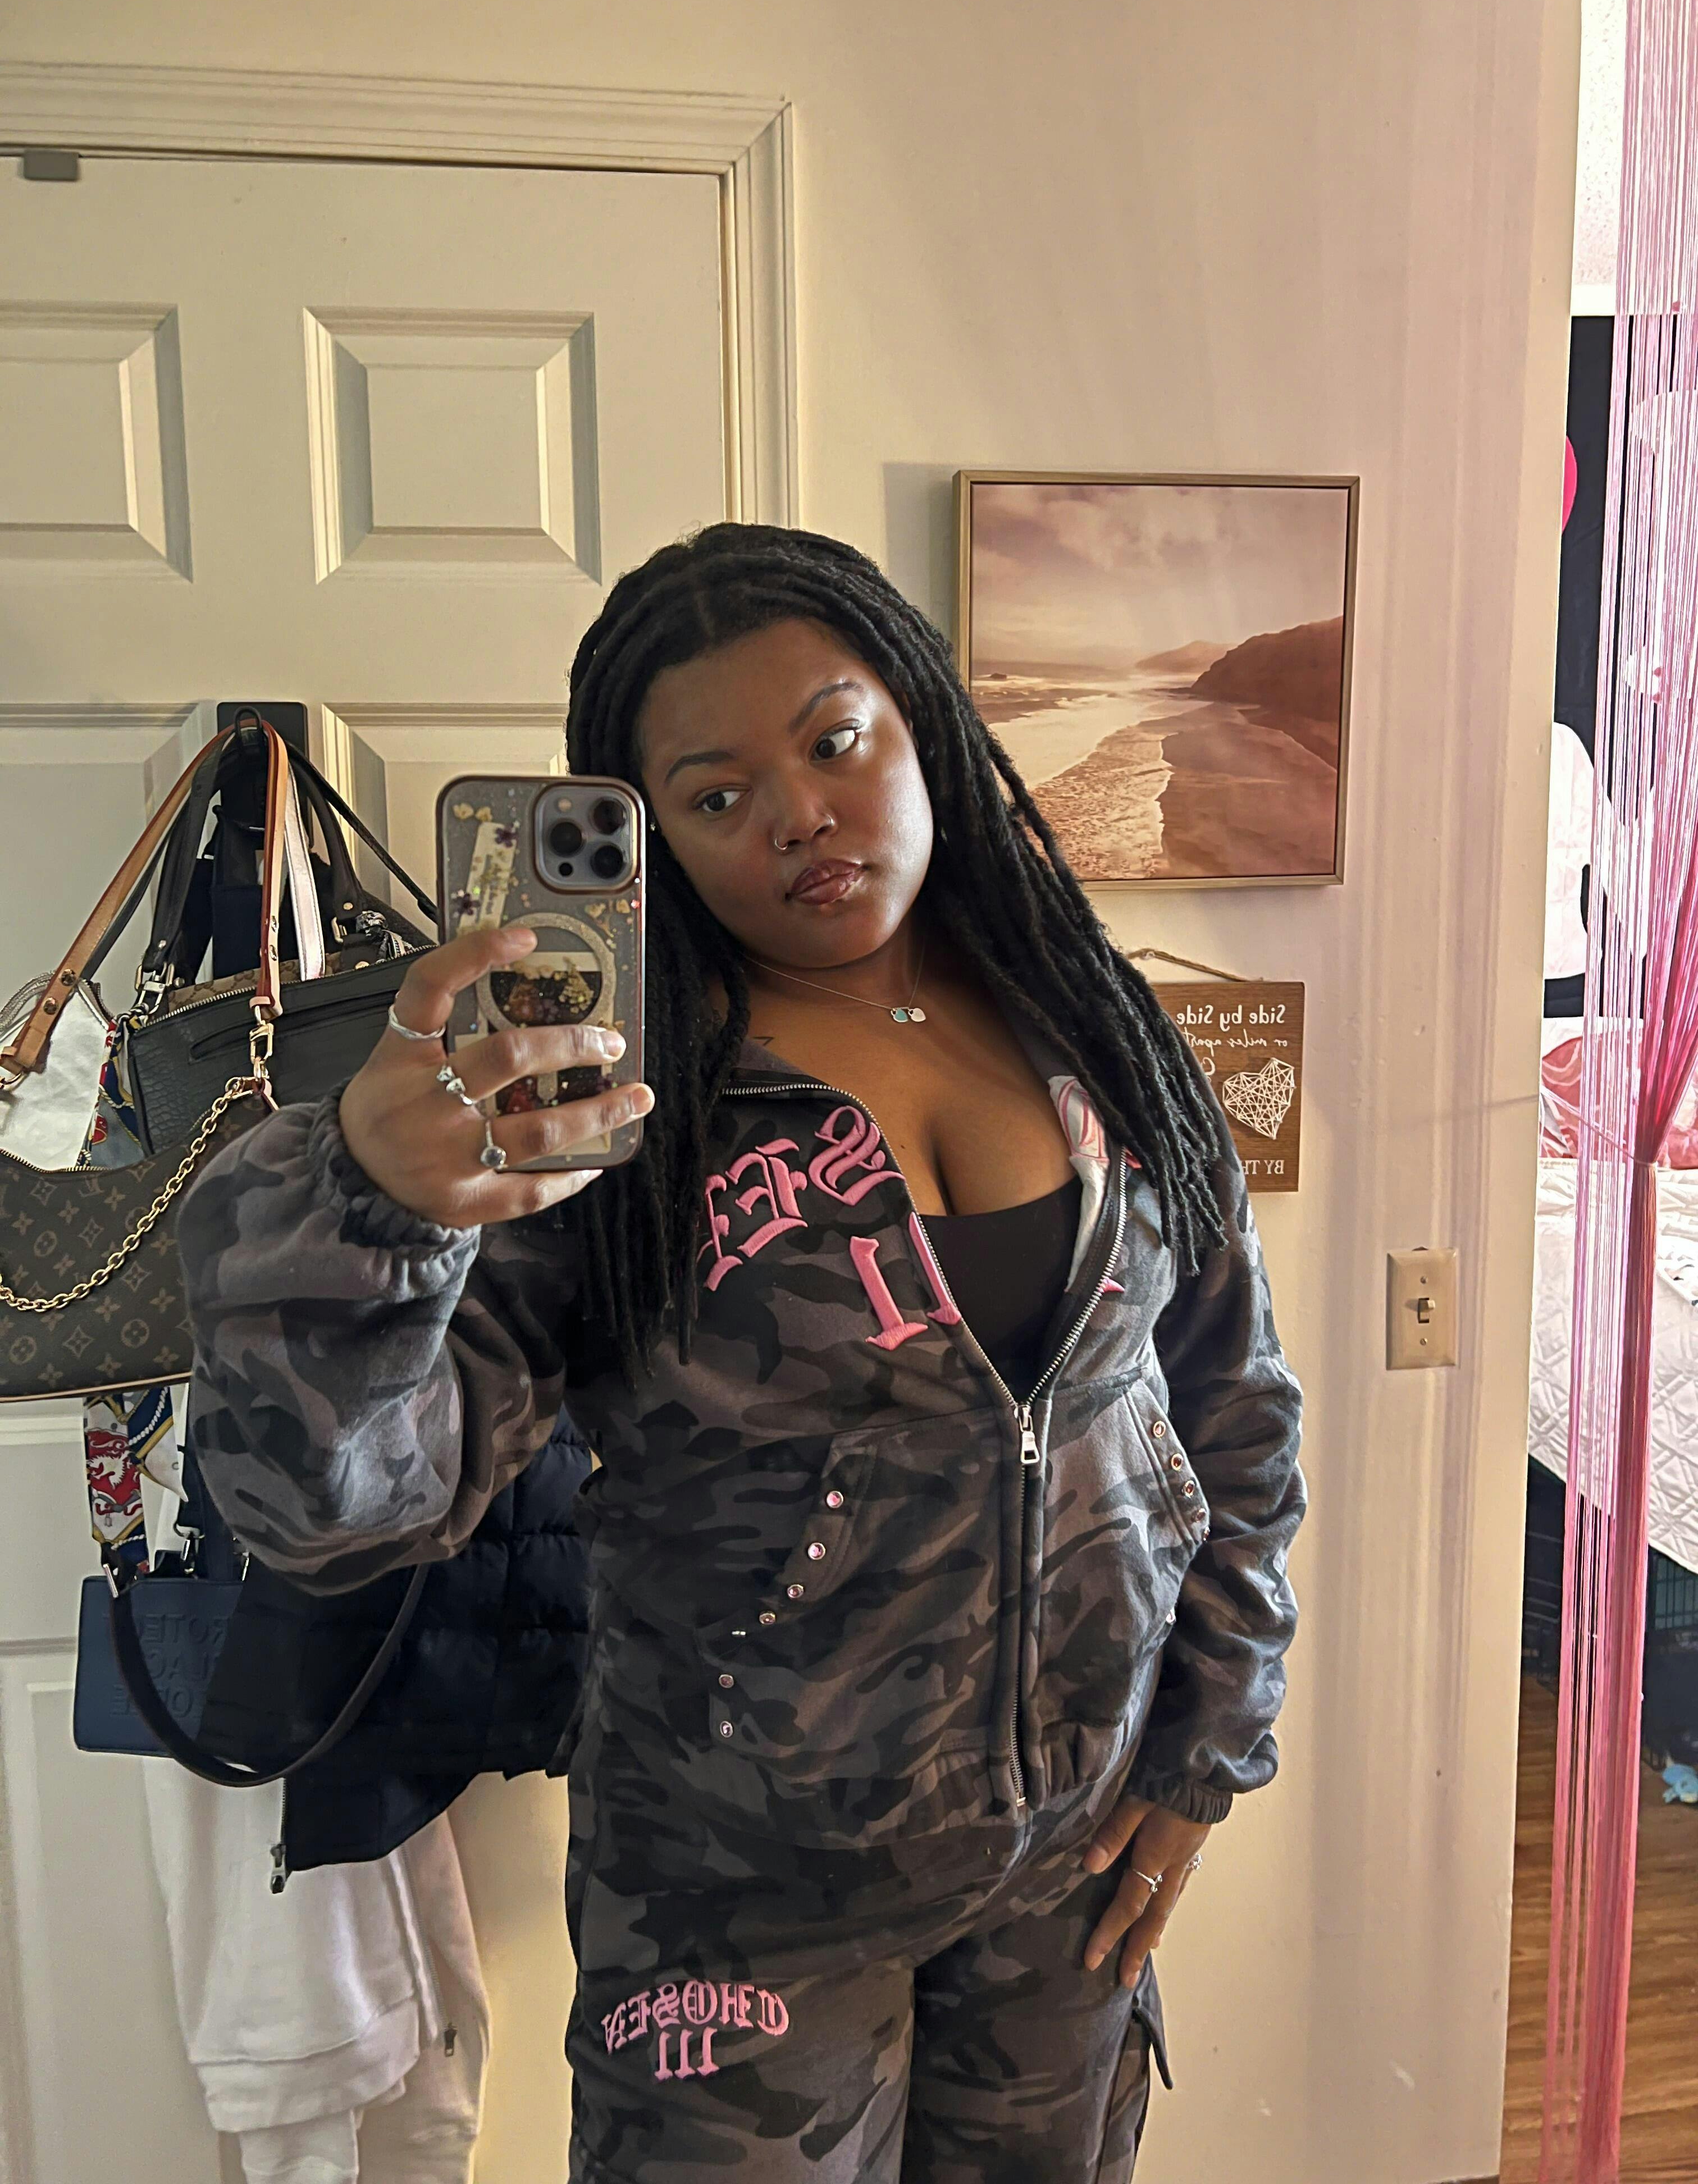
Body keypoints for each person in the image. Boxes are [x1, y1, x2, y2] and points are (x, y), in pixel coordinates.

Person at [177, 522, 1306, 2184]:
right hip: (735, 1911)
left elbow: (1228, 1406)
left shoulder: (1099, 1031)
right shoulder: (605, 1113)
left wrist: (1208, 1745)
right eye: (716, 796)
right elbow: (338, 1513)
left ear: (923, 718)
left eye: (836, 742)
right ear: (651, 837)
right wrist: (367, 1205)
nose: (798, 816)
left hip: (1065, 1875)